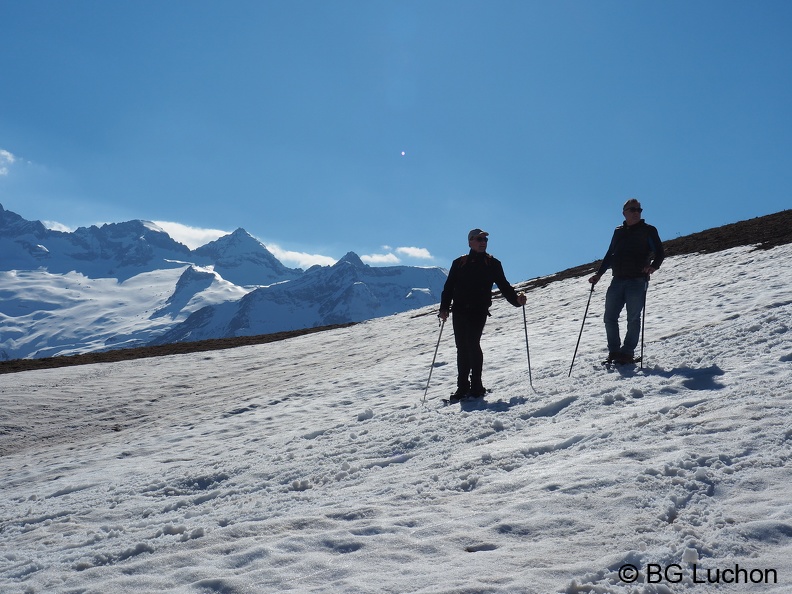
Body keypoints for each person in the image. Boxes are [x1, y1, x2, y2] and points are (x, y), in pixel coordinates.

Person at [439, 228, 527, 400]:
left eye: (485, 240)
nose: (483, 242)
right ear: (470, 242)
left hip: (478, 310)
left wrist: (516, 300)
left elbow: (504, 285)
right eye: (479, 239)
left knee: (472, 343)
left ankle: (476, 386)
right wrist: (444, 308)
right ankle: (462, 387)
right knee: (462, 347)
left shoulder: (492, 263)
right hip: (459, 310)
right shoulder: (459, 263)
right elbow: (449, 287)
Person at [589, 198, 664, 364]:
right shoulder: (618, 231)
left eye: (639, 209)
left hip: (637, 279)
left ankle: (627, 353)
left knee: (633, 318)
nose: (636, 212)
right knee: (609, 317)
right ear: (624, 213)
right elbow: (610, 255)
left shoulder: (648, 230)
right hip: (617, 279)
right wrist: (599, 275)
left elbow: (660, 252)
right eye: (633, 209)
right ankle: (614, 352)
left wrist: (653, 266)